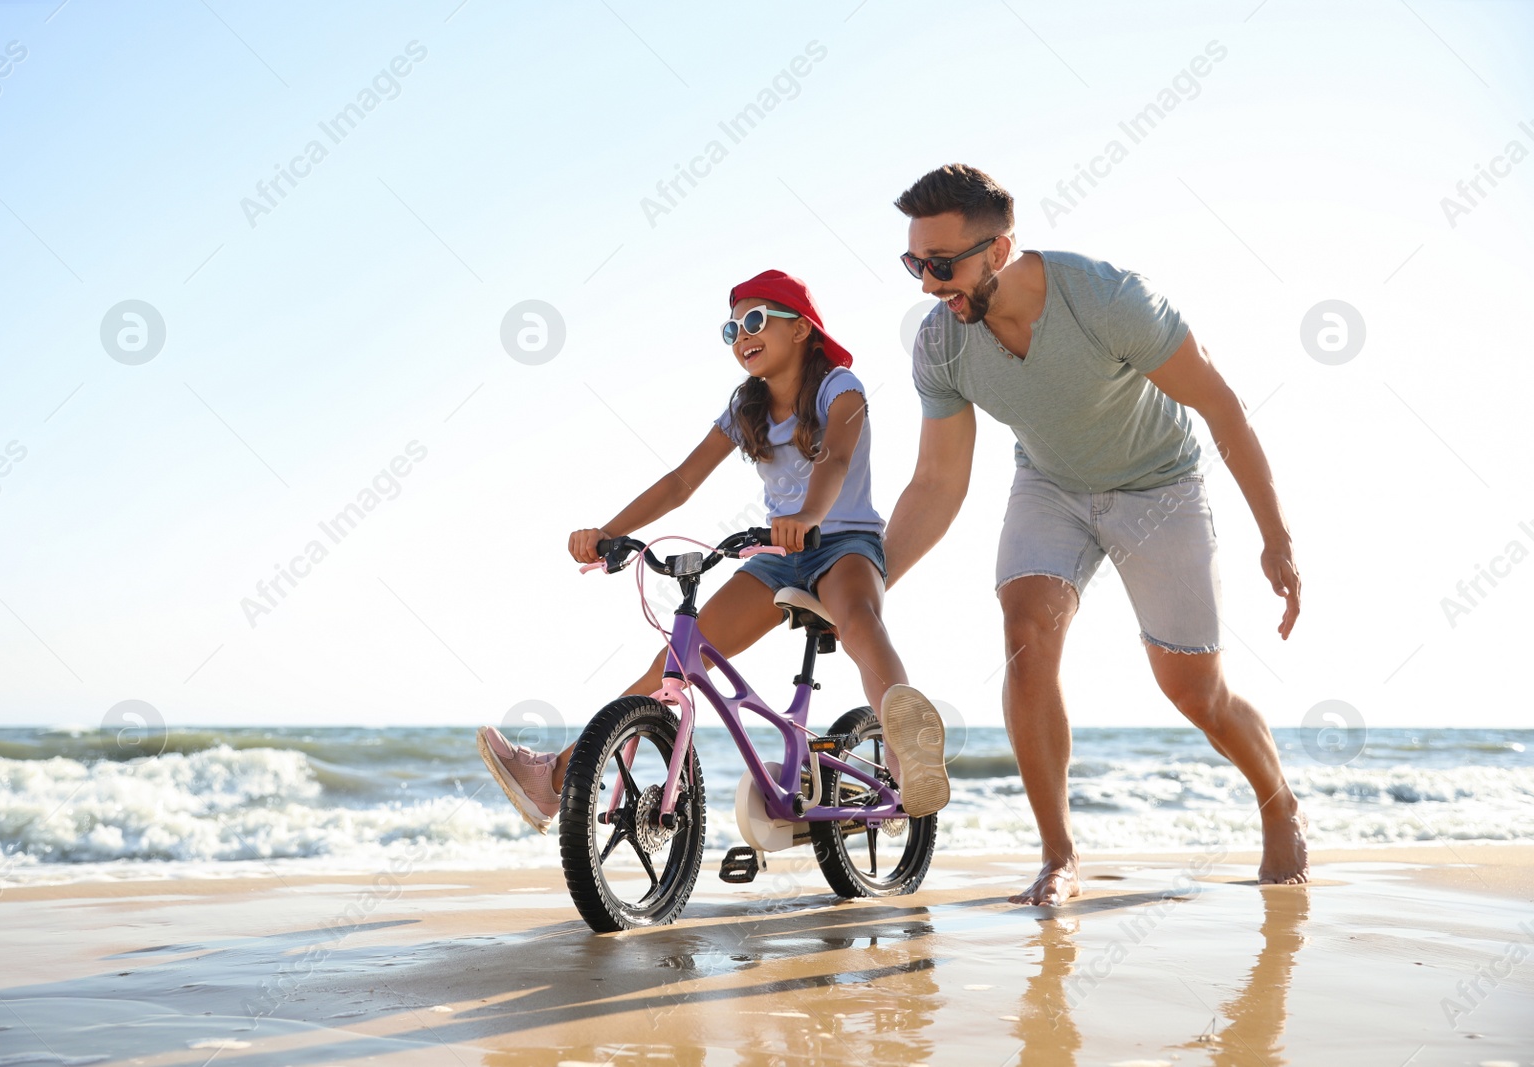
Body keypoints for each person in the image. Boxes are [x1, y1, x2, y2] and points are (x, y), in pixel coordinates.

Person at [882, 163, 1308, 905]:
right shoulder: (942, 343)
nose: (927, 284)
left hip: (1160, 485)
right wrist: (868, 584)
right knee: (1026, 631)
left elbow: (1221, 405)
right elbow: (937, 483)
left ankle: (1279, 802)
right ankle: (1059, 855)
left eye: (942, 265)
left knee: (1195, 692)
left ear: (1000, 250)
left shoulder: (1108, 298)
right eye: (915, 264)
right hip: (1050, 487)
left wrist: (1276, 537)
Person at [478, 269, 950, 832]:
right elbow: (681, 482)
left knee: (860, 623)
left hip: (844, 540)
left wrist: (806, 517)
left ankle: (907, 759)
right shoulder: (744, 408)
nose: (741, 335)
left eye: (754, 320)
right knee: (673, 664)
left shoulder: (839, 387)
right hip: (778, 554)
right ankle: (554, 779)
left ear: (801, 329)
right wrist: (608, 532)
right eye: (731, 329)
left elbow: (836, 460)